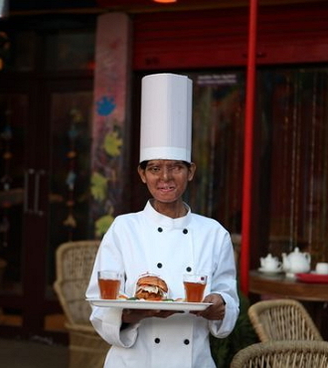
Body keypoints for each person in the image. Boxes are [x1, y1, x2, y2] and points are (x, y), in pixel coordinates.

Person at [85, 73, 239, 367]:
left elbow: (228, 303)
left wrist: (218, 305)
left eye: (175, 168)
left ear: (191, 171)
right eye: (155, 168)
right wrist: (137, 312)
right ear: (142, 174)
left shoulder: (214, 233)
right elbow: (100, 305)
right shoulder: (123, 228)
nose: (165, 177)